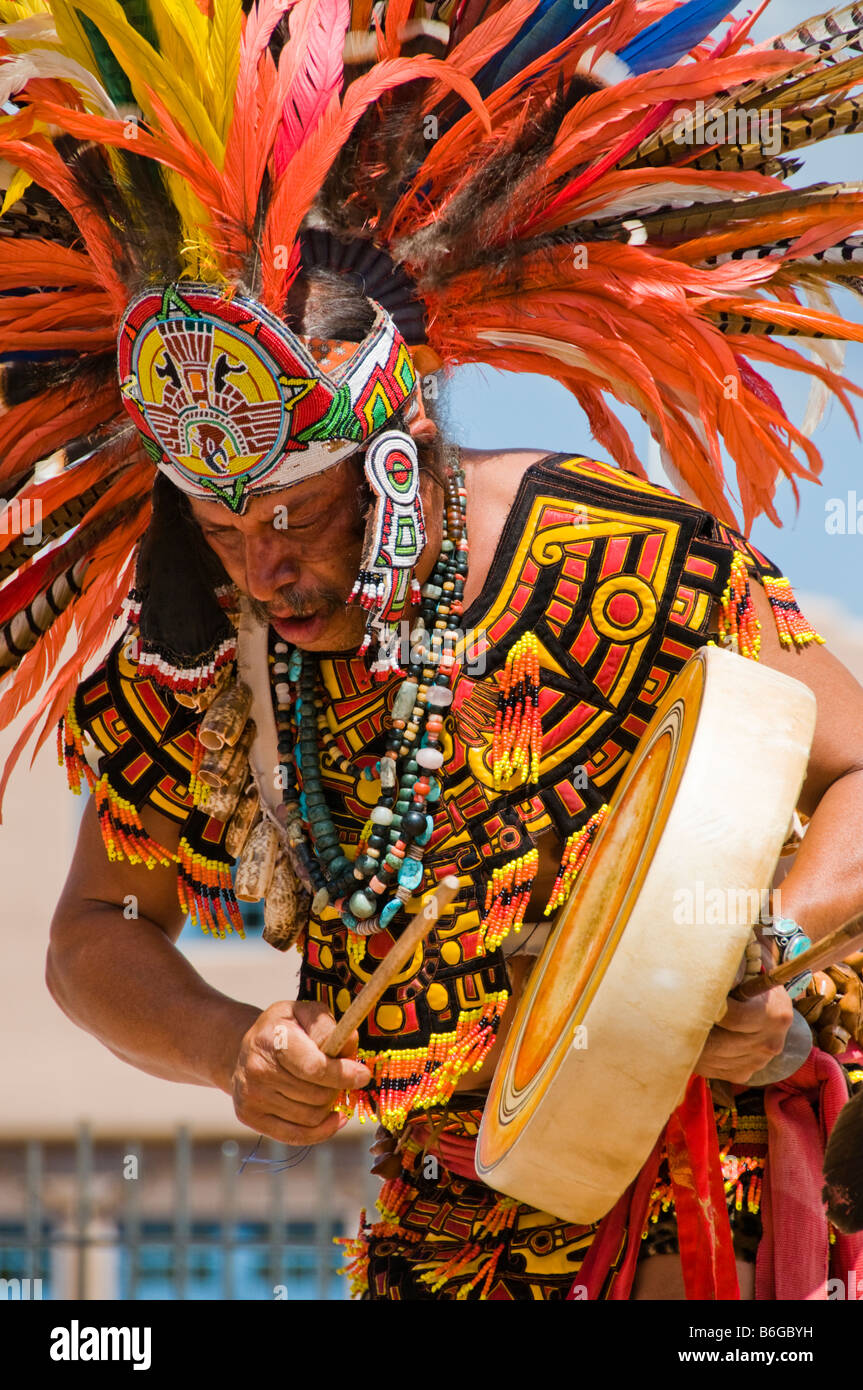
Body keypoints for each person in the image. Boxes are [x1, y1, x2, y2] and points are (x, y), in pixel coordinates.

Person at [3, 0, 863, 1301]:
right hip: (455, 1235)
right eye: (225, 530)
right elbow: (97, 931)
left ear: (393, 469)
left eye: (298, 514)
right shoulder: (188, 665)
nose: (265, 566)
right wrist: (236, 1041)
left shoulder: (600, 559)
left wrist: (752, 954)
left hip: (735, 1209)